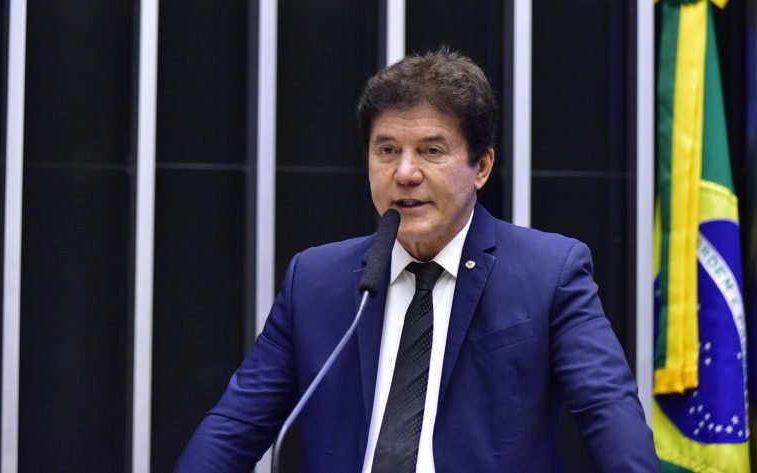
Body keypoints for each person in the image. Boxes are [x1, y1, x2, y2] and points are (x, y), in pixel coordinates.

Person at [175, 48, 658, 472]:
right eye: (387, 150)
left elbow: (608, 412)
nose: (405, 173)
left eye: (431, 151)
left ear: (481, 166)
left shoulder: (549, 273)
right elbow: (235, 427)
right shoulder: (316, 280)